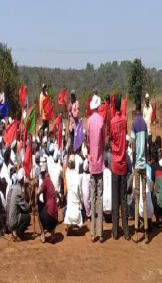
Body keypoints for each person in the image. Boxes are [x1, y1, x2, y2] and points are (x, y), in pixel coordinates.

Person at [110, 94, 129, 240]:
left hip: (115, 164)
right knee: (124, 198)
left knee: (115, 199)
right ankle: (127, 232)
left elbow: (111, 138)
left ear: (113, 105)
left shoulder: (112, 121)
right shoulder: (124, 120)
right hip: (123, 163)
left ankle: (115, 232)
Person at [130, 95, 150, 243]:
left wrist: (134, 161)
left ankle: (137, 229)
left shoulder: (134, 124)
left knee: (137, 197)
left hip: (137, 165)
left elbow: (133, 145)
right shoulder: (144, 124)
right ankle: (147, 232)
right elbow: (147, 145)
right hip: (144, 163)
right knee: (144, 194)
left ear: (134, 109)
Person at [87, 93, 105, 243]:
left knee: (93, 199)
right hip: (100, 164)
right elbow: (103, 142)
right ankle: (100, 233)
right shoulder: (101, 121)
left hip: (92, 165)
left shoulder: (89, 121)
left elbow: (88, 142)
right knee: (100, 197)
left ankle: (93, 233)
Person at [37, 158, 58, 243]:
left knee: (39, 213)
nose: (41, 175)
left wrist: (36, 198)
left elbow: (38, 192)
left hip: (49, 216)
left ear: (45, 173)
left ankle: (42, 234)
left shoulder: (45, 182)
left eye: (42, 173)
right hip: (55, 218)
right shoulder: (50, 181)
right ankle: (52, 235)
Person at [7, 170, 31, 241]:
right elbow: (26, 208)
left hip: (7, 221)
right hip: (11, 222)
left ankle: (14, 231)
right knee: (27, 217)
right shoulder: (18, 190)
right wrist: (30, 202)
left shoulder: (12, 187)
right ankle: (17, 233)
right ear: (23, 179)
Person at [150, 146, 162, 228]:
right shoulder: (161, 168)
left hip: (160, 201)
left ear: (152, 158)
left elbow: (152, 185)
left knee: (151, 197)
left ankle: (158, 219)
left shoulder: (152, 167)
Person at [64, 155, 83, 235]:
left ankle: (70, 226)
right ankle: (76, 226)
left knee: (68, 210)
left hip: (71, 198)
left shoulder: (67, 174)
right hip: (76, 198)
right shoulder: (77, 176)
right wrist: (80, 199)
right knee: (77, 210)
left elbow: (67, 168)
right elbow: (80, 190)